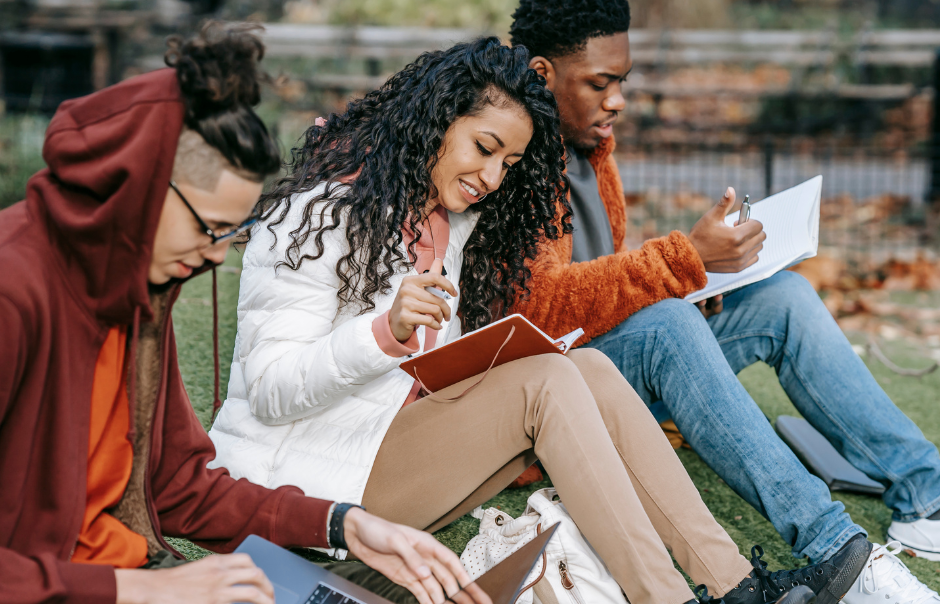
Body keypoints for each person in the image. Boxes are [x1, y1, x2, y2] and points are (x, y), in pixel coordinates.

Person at [209, 36, 844, 604]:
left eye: (508, 164)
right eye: (484, 148)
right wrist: (384, 334)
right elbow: (269, 390)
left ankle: (734, 587)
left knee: (585, 366)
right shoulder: (318, 215)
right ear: (434, 122)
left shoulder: (449, 222)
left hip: (383, 448)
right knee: (546, 382)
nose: (490, 177)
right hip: (304, 488)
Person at [0, 22, 487, 604]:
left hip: (135, 570)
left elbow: (177, 485)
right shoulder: (16, 291)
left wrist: (342, 524)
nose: (213, 255)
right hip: (77, 587)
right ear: (137, 188)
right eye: (208, 229)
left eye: (229, 233)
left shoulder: (138, 291)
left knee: (408, 592)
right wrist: (134, 590)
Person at [507, 2, 940, 604]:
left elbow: (602, 276)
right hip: (553, 398)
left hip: (612, 357)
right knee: (666, 326)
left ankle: (928, 498)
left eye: (622, 83)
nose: (617, 101)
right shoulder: (506, 155)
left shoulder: (589, 148)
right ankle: (836, 551)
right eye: (599, 84)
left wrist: (696, 281)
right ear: (542, 73)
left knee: (783, 296)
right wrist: (682, 261)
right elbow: (540, 311)